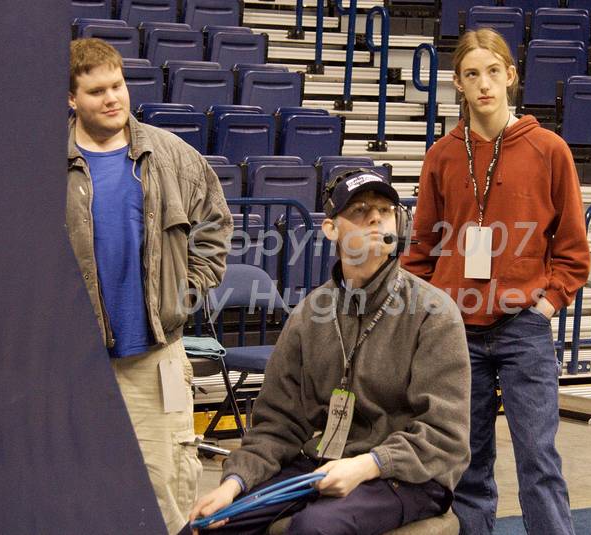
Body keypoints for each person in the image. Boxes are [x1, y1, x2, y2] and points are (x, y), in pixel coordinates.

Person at [188, 169, 471, 534]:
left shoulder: (433, 312)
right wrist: (234, 484)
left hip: (409, 475)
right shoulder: (310, 314)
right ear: (331, 229)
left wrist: (367, 465)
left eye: (385, 210)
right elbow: (277, 424)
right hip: (322, 461)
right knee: (208, 525)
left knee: (316, 528)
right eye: (360, 210)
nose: (375, 218)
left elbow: (444, 434)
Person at [401, 28, 590, 535]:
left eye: (491, 72)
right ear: (458, 84)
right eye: (471, 74)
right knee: (467, 465)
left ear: (510, 76)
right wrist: (425, 316)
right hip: (456, 332)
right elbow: (422, 250)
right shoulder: (442, 155)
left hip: (523, 327)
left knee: (539, 462)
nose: (483, 84)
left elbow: (572, 249)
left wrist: (546, 305)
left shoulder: (549, 150)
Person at [66, 38, 232, 534]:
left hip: (157, 358)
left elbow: (215, 226)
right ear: (72, 98)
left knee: (165, 490)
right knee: (78, 490)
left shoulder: (171, 154)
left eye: (117, 86)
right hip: (71, 363)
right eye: (97, 91)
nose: (112, 98)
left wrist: (185, 292)